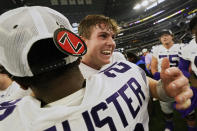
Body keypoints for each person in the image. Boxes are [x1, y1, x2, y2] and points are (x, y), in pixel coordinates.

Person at [0, 7, 192, 131]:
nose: (112, 43)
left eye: (113, 37)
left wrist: (165, 89)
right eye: (103, 36)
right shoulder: (127, 71)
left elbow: (152, 88)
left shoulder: (118, 61)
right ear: (79, 43)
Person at [151, 29, 196, 131]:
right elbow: (153, 66)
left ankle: (192, 127)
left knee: (188, 107)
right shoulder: (156, 49)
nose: (164, 37)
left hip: (180, 80)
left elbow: (188, 63)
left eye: (166, 35)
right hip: (163, 82)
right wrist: (157, 75)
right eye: (162, 36)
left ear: (172, 36)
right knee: (166, 107)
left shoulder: (181, 47)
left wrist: (185, 74)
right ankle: (169, 125)